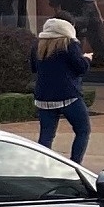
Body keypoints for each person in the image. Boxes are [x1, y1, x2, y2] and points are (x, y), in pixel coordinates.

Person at [31, 14, 92, 161]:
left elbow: (33, 68)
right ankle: (75, 165)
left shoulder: (38, 45)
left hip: (43, 97)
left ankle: (41, 166)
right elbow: (81, 67)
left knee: (46, 135)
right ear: (69, 26)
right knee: (83, 130)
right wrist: (87, 58)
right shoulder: (69, 43)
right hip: (69, 96)